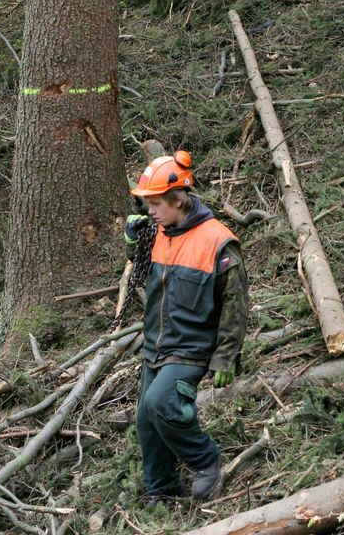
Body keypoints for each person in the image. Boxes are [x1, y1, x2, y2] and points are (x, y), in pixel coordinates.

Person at [124, 150, 249, 505]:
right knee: (147, 421)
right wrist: (132, 242)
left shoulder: (218, 243)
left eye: (156, 203)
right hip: (156, 345)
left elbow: (236, 306)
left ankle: (206, 461)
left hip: (192, 347)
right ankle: (161, 489)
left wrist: (225, 357)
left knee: (162, 402)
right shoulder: (160, 231)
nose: (149, 210)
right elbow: (140, 265)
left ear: (178, 200)